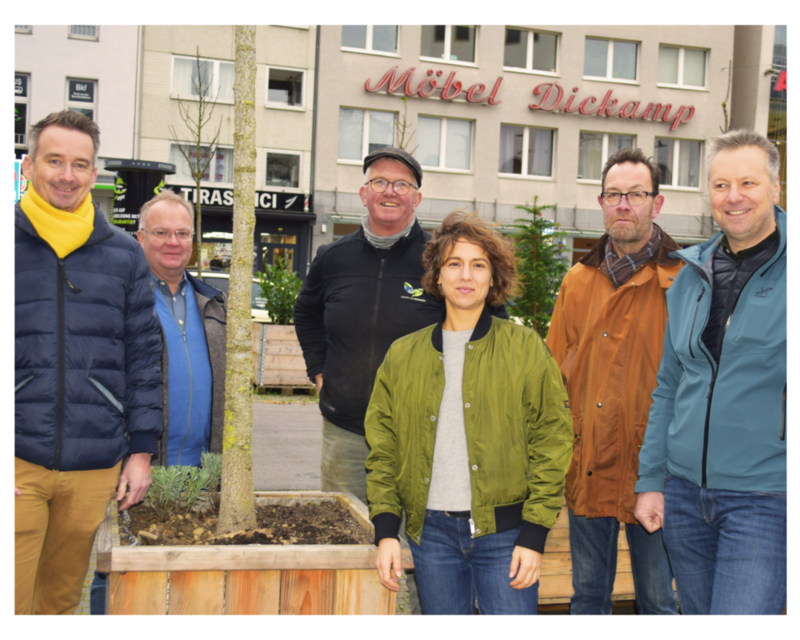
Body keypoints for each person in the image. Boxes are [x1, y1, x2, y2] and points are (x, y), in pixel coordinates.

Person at [365, 211, 573, 615]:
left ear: (494, 278)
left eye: (478, 265)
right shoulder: (403, 354)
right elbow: (383, 448)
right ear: (437, 276)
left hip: (507, 535)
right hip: (432, 535)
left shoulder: (525, 348)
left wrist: (534, 534)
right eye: (454, 263)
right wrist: (387, 531)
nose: (466, 275)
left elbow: (553, 439)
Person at [294, 147, 507, 506]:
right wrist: (319, 371)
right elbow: (306, 315)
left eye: (402, 185)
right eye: (379, 181)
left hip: (421, 435)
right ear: (364, 194)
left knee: (414, 546)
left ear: (417, 198)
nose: (389, 191)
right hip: (346, 432)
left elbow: (492, 325)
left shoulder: (442, 259)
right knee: (348, 537)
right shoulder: (332, 258)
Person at [15, 111, 163, 615]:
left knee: (58, 601)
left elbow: (143, 354)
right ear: (30, 164)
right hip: (15, 459)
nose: (67, 174)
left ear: (94, 172)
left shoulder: (123, 254)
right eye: (55, 160)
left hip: (94, 462)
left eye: (81, 164)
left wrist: (141, 451)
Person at [634, 130, 786, 615]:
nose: (733, 196)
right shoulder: (689, 276)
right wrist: (651, 481)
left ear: (776, 189)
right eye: (721, 185)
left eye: (748, 182)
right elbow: (669, 388)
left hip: (767, 498)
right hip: (684, 497)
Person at [546, 148, 681, 615]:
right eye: (614, 195)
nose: (624, 205)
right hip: (587, 464)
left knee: (659, 601)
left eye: (636, 194)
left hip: (655, 472)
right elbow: (551, 376)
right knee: (587, 597)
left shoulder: (683, 281)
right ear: (601, 202)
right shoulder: (577, 281)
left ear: (656, 204)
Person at [90, 189, 228, 614]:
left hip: (201, 469)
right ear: (139, 238)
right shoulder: (120, 298)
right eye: (162, 232)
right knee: (120, 572)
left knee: (192, 581)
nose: (174, 242)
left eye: (183, 233)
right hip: (137, 465)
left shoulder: (213, 302)